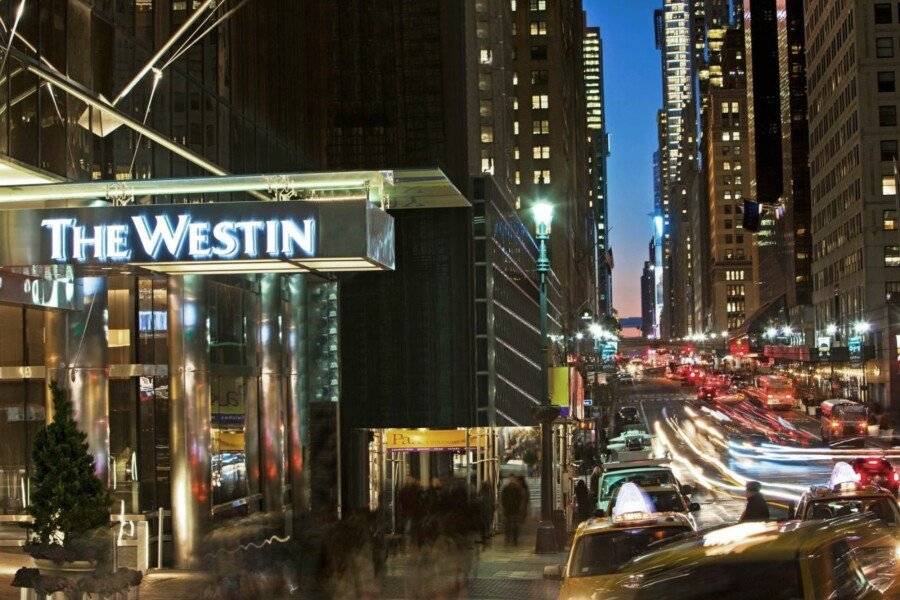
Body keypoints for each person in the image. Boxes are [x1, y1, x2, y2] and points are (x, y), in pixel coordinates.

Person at [500, 476, 525, 545]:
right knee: (511, 524)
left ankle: (511, 538)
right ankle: (512, 538)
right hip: (511, 510)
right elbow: (503, 499)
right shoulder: (516, 489)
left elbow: (521, 499)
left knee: (511, 524)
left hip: (512, 510)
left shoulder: (515, 489)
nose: (511, 481)